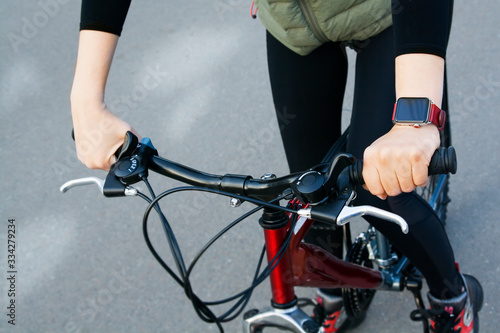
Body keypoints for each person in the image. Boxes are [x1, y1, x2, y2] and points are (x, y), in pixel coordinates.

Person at [70, 1, 483, 332]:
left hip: (391, 15)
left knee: (378, 188)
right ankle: (331, 292)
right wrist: (86, 103)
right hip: (295, 27)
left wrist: (415, 117)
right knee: (307, 187)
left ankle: (452, 297)